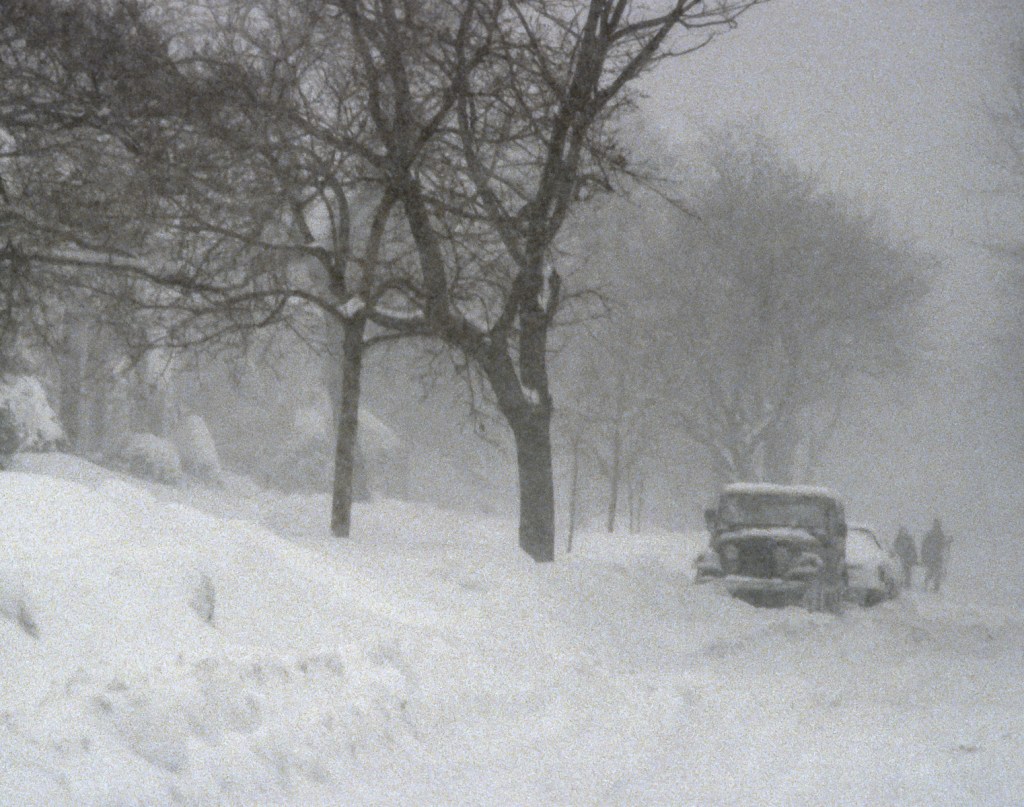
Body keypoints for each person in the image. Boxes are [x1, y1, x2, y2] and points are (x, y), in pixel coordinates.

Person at [920, 518, 952, 593]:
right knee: (931, 572)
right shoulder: (930, 534)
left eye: (938, 524)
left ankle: (935, 588)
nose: (937, 525)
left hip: (938, 557)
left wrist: (948, 542)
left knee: (937, 573)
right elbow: (925, 546)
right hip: (931, 557)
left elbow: (943, 545)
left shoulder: (941, 534)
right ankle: (926, 585)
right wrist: (924, 556)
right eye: (936, 523)